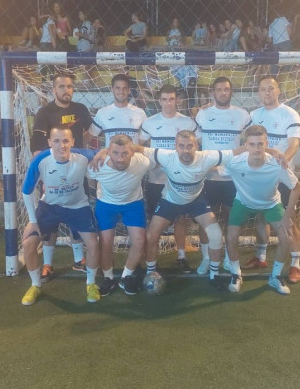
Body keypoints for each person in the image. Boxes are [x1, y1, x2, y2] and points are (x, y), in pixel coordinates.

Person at [126, 130, 281, 283]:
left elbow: (238, 151)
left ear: (196, 146)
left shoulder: (207, 157)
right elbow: (137, 148)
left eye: (190, 146)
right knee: (151, 236)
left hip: (196, 201)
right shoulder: (165, 155)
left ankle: (214, 274)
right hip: (170, 201)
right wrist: (112, 151)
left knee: (215, 234)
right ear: (175, 146)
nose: (185, 150)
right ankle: (151, 273)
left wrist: (271, 151)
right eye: (181, 146)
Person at [20, 126, 100, 306]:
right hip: (49, 207)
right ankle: (35, 285)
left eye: (65, 141)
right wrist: (32, 221)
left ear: (72, 142)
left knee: (93, 244)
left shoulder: (82, 155)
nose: (61, 145)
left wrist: (100, 155)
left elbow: (104, 152)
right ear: (49, 142)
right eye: (56, 141)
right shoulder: (41, 160)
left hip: (78, 207)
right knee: (28, 243)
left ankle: (91, 284)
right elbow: (26, 191)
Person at [30, 73, 93, 279]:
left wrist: (81, 152)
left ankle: (79, 261)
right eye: (62, 87)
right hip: (52, 173)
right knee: (50, 220)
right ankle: (48, 264)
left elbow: (90, 133)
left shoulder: (80, 109)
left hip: (76, 171)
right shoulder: (45, 112)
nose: (66, 90)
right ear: (54, 90)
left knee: (77, 214)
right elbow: (36, 144)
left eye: (70, 86)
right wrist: (43, 175)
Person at [225, 126, 300, 294]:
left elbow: (296, 187)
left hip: (270, 204)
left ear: (267, 144)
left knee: (287, 238)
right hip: (243, 202)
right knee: (230, 236)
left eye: (260, 144)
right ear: (245, 145)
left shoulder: (277, 165)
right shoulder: (234, 162)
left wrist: (287, 216)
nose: (257, 148)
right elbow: (213, 165)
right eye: (252, 144)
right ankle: (236, 274)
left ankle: (275, 277)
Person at [248, 75, 300, 282]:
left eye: (271, 88)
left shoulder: (289, 114)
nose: (267, 92)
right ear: (259, 93)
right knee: (261, 216)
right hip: (261, 176)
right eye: (263, 89)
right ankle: (261, 256)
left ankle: (295, 265)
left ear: (278, 90)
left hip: (282, 175)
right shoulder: (254, 115)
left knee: (289, 221)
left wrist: (283, 161)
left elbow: (294, 143)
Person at [139, 84, 199, 273]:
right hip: (156, 180)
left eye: (171, 99)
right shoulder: (149, 122)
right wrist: (150, 163)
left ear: (177, 100)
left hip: (179, 181)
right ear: (159, 101)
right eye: (164, 99)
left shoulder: (188, 123)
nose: (168, 103)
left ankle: (181, 257)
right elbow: (139, 147)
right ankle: (152, 262)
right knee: (154, 222)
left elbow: (197, 147)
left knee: (180, 219)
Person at [194, 77, 251, 274]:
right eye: (219, 89)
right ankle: (206, 258)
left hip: (232, 179)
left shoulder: (242, 115)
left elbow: (251, 140)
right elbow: (196, 141)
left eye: (226, 89)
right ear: (213, 92)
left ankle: (228, 257)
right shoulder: (203, 114)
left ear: (231, 91)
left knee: (231, 220)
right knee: (205, 222)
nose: (223, 92)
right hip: (208, 178)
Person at [87, 134, 154, 296]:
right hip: (106, 205)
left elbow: (159, 158)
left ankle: (126, 277)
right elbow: (89, 179)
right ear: (109, 152)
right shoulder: (97, 166)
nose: (120, 158)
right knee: (106, 242)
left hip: (133, 204)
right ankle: (108, 278)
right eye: (115, 153)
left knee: (140, 241)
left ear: (132, 152)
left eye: (125, 153)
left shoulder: (143, 162)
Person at [88, 74, 146, 146]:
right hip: (110, 153)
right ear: (112, 89)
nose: (121, 91)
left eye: (124, 88)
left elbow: (145, 138)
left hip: (133, 153)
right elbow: (90, 135)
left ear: (129, 90)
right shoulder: (102, 113)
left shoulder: (140, 113)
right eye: (118, 88)